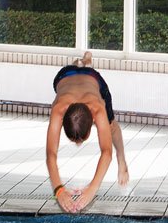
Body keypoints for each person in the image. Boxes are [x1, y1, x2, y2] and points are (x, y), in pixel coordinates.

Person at [46, 51, 129, 213]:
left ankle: (122, 160)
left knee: (111, 126)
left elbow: (107, 152)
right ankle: (82, 63)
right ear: (62, 120)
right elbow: (50, 154)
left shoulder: (98, 108)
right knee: (77, 70)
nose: (77, 143)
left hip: (93, 79)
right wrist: (58, 190)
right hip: (64, 75)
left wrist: (93, 189)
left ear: (93, 122)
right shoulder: (58, 108)